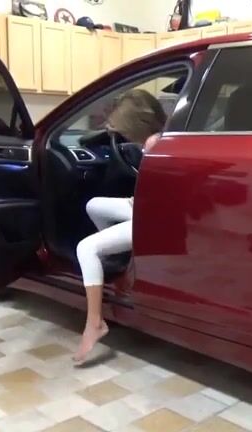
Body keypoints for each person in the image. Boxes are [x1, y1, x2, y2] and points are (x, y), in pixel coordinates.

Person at [73, 89, 166, 363]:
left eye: (122, 127)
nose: (120, 134)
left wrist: (142, 201)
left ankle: (94, 323)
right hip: (147, 205)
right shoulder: (160, 137)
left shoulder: (153, 144)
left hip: (152, 217)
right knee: (93, 205)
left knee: (85, 248)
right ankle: (119, 258)